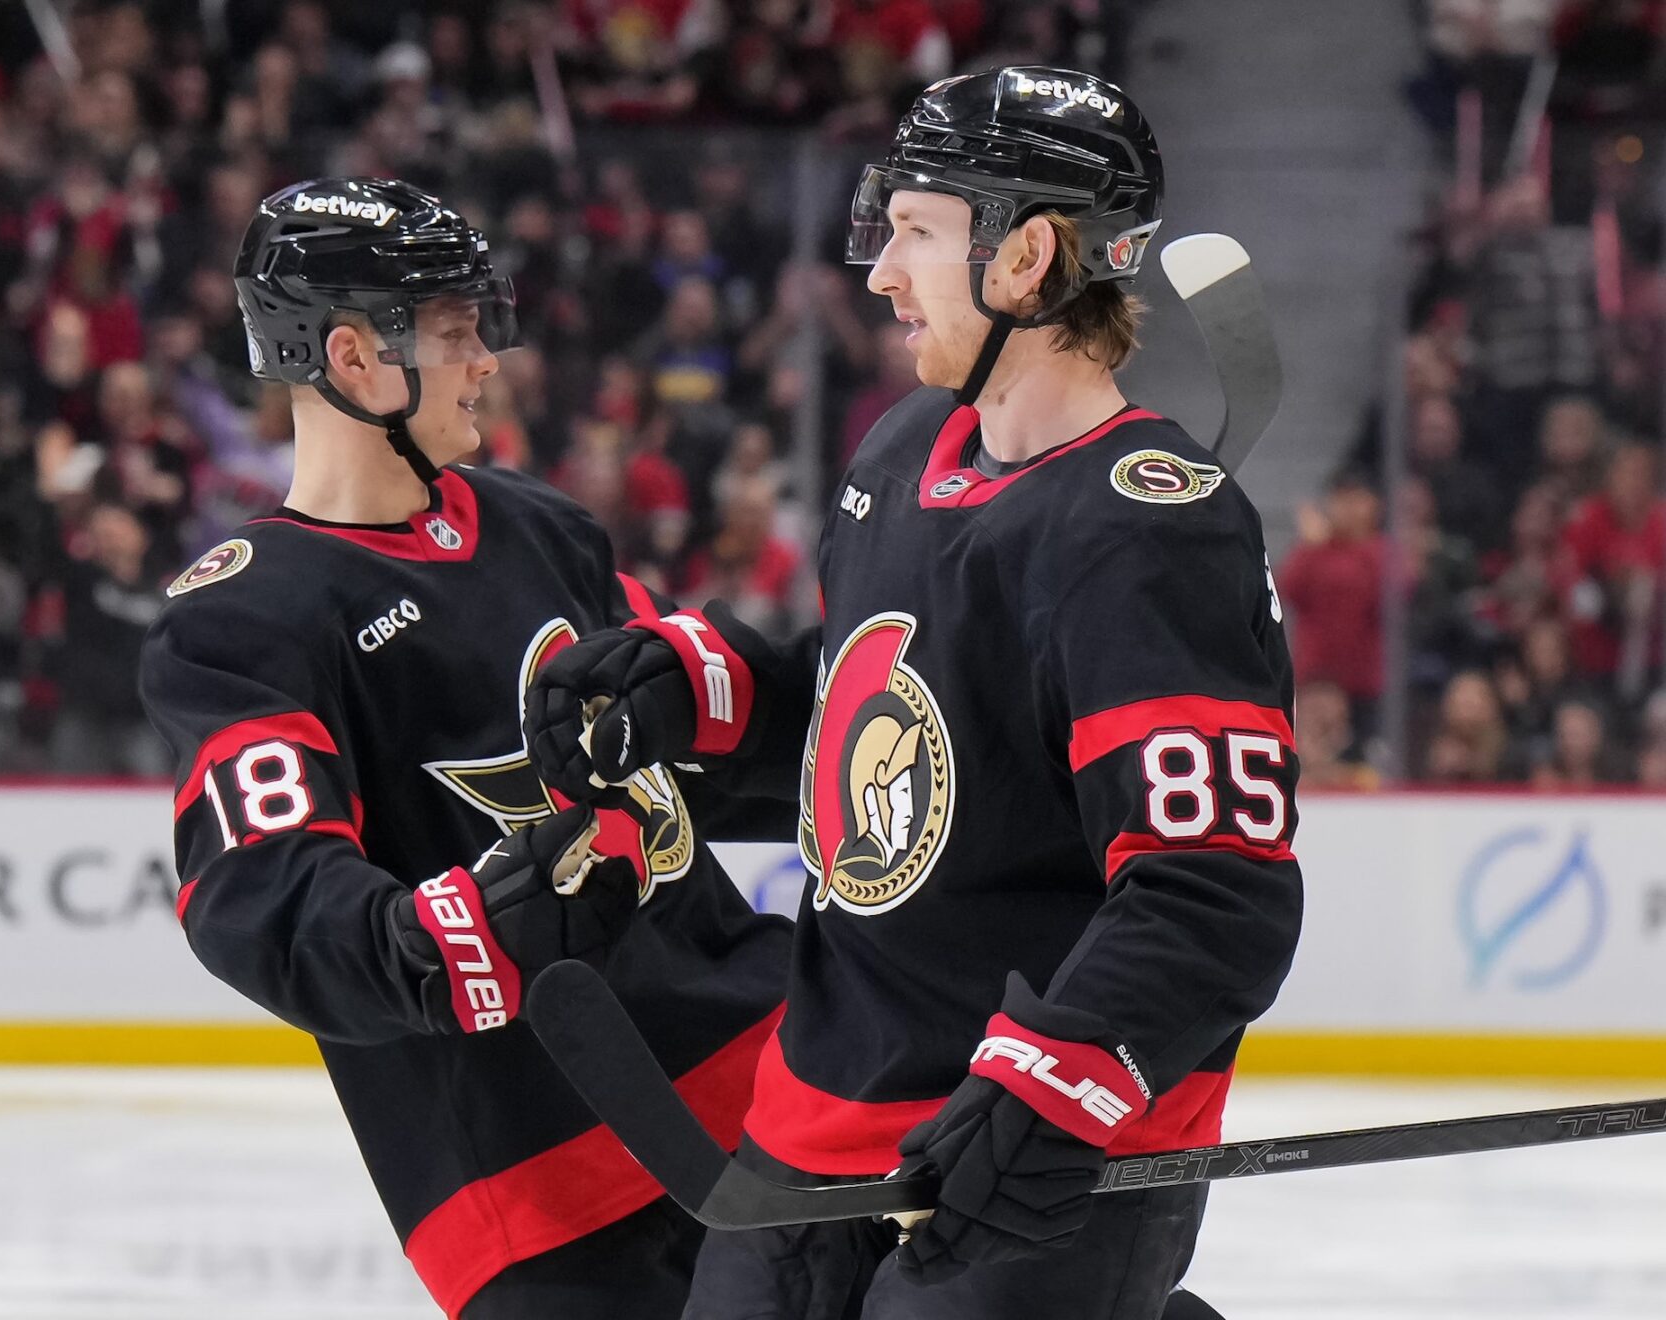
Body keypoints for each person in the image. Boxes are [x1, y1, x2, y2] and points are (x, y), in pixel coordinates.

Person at [523, 69, 1303, 1320]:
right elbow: (891, 740)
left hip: (1034, 1143)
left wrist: (1061, 1082)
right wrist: (704, 693)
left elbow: (1215, 887)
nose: (881, 272)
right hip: (821, 1103)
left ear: (1027, 257)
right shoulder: (905, 447)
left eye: (917, 232)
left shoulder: (1146, 528)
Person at [137, 178, 790, 1320]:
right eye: (453, 332)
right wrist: (442, 943)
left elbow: (685, 761)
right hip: (539, 1188)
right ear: (352, 358)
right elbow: (262, 892)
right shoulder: (245, 617)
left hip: (770, 1086)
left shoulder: (542, 526)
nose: (487, 358)